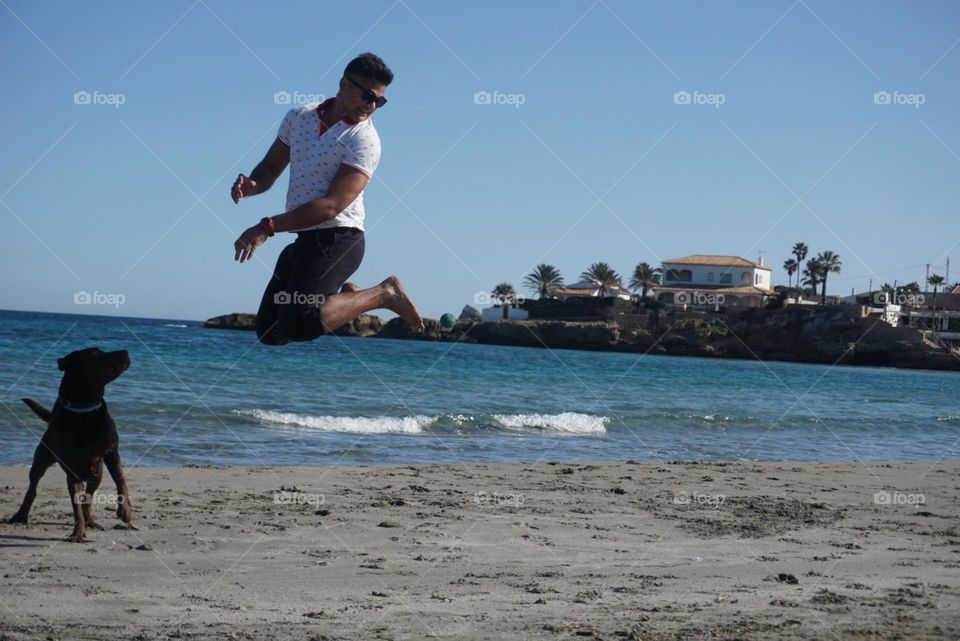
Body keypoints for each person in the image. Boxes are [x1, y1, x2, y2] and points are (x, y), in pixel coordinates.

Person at [231, 52, 424, 345]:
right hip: (305, 239)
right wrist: (254, 184)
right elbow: (271, 166)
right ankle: (342, 297)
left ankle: (384, 293)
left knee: (299, 323)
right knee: (270, 333)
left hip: (339, 240)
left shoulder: (364, 140)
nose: (372, 106)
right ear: (344, 84)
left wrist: (267, 227)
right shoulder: (300, 117)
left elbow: (331, 206)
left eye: (379, 101)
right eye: (368, 95)